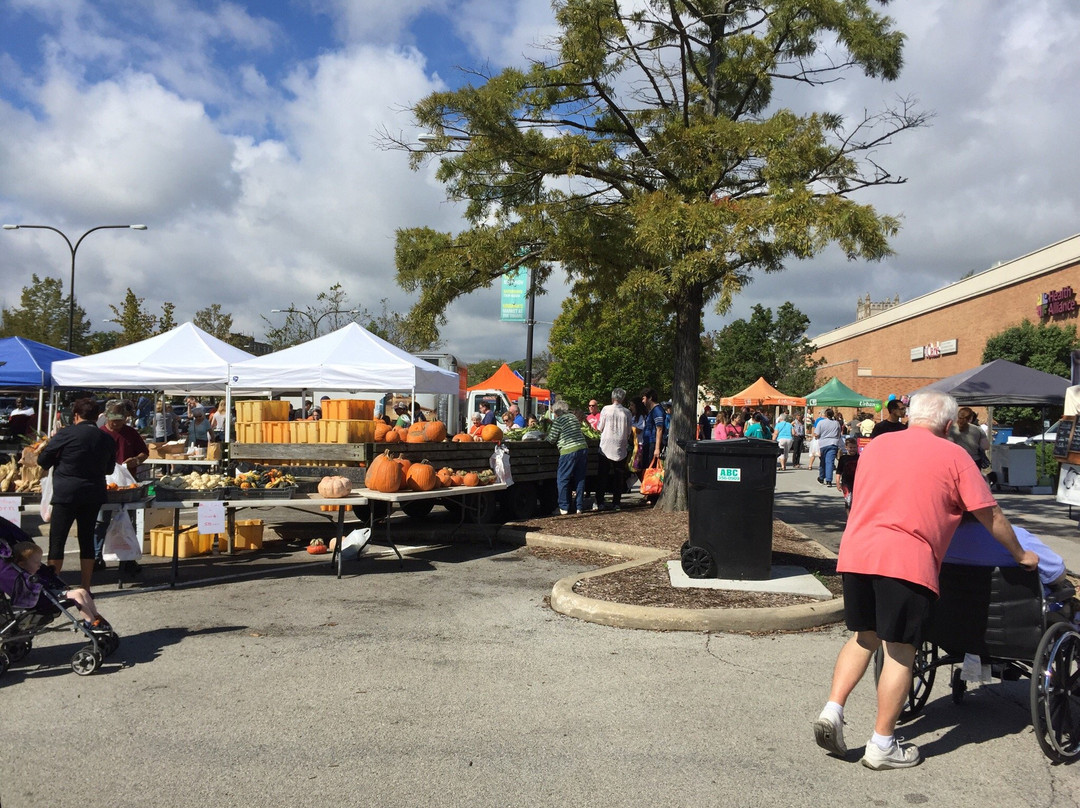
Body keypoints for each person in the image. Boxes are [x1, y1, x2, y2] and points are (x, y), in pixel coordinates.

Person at [813, 391, 1037, 770]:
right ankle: (882, 743)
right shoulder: (954, 455)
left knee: (864, 637)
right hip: (905, 560)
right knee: (901, 650)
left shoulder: (878, 446)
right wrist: (1021, 554)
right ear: (949, 425)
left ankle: (833, 710)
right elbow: (990, 514)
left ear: (909, 416)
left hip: (857, 552)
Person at [35, 398, 117, 591]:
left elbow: (43, 461)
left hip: (66, 493)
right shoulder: (106, 438)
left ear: (76, 415)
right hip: (93, 493)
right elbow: (109, 469)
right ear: (97, 417)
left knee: (58, 539)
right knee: (87, 538)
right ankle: (86, 586)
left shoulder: (66, 434)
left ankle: (53, 586)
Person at [94, 400, 150, 574]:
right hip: (105, 483)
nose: (116, 423)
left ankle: (127, 559)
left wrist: (136, 460)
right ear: (106, 418)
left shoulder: (131, 433)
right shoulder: (99, 434)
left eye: (120, 420)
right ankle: (96, 558)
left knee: (128, 522)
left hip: (128, 485)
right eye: (113, 420)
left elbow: (144, 452)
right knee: (101, 521)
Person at [1, 540, 108, 630]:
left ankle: (96, 617)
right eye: (36, 562)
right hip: (43, 597)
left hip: (51, 592)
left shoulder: (34, 573)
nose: (39, 565)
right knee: (78, 595)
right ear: (22, 565)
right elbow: (37, 589)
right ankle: (90, 622)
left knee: (83, 591)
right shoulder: (26, 579)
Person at [546, 400, 588, 515]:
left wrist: (545, 436)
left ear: (557, 412)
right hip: (583, 448)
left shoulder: (559, 421)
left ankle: (563, 507)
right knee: (580, 478)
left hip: (569, 450)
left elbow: (551, 439)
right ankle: (579, 506)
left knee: (562, 479)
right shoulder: (572, 417)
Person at [596, 388, 632, 511]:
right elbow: (628, 432)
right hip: (620, 447)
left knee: (602, 476)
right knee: (619, 477)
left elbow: (600, 427)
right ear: (623, 398)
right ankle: (616, 502)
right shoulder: (627, 412)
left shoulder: (606, 409)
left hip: (605, 447)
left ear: (612, 398)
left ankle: (600, 501)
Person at [638, 390, 666, 488]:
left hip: (653, 443)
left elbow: (659, 429)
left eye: (644, 398)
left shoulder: (657, 410)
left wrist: (657, 448)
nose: (642, 401)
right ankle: (648, 492)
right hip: (648, 442)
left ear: (650, 398)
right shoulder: (652, 411)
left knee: (652, 470)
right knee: (646, 468)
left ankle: (652, 494)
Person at [814, 408, 843, 487]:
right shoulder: (836, 423)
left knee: (823, 461)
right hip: (833, 443)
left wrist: (817, 436)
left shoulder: (821, 422)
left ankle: (822, 477)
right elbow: (839, 434)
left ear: (826, 415)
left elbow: (816, 434)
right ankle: (828, 480)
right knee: (830, 461)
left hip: (823, 443)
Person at [835, 437, 860, 511]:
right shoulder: (843, 458)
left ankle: (855, 518)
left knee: (856, 502)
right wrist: (837, 482)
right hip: (846, 483)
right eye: (850, 447)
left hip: (857, 482)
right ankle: (849, 519)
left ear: (857, 447)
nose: (852, 449)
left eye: (854, 447)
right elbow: (839, 471)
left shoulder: (860, 458)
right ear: (846, 447)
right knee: (848, 502)